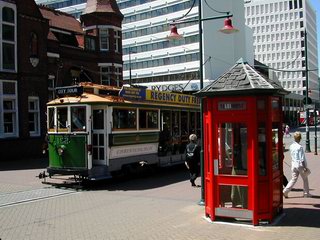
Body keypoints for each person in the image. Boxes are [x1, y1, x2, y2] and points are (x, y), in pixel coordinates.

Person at [283, 131, 311, 198]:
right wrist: (305, 167)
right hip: (300, 164)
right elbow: (302, 158)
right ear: (300, 138)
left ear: (294, 138)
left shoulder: (291, 146)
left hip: (293, 164)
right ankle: (306, 193)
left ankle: (285, 191)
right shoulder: (300, 147)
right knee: (305, 179)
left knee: (293, 179)